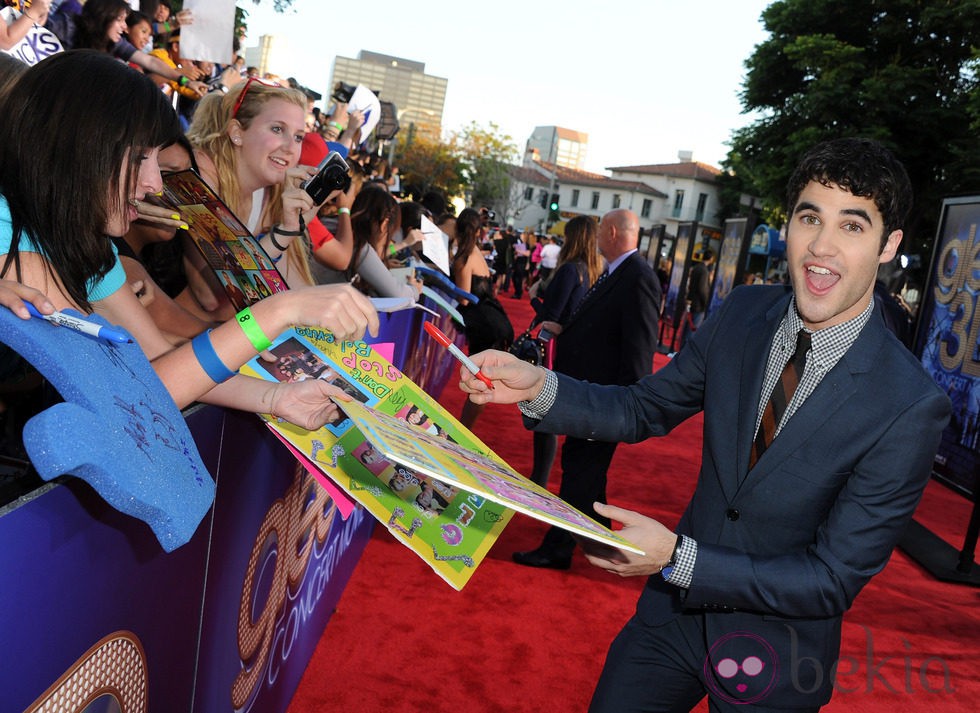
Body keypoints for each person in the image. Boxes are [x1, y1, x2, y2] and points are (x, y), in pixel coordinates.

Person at [458, 138, 951, 711]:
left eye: (852, 226)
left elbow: (830, 578)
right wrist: (542, 387)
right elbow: (645, 407)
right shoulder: (743, 313)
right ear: (788, 224)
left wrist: (679, 558)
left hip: (776, 650)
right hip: (671, 621)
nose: (821, 246)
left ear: (889, 245)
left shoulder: (909, 405)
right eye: (810, 217)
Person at [0, 50, 378, 434]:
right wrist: (278, 312)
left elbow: (157, 359)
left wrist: (277, 397)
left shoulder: (93, 247)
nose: (156, 185)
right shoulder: (9, 231)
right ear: (77, 147)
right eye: (138, 159)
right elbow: (145, 387)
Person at [512, 208, 660, 568]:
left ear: (611, 231)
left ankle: (559, 548)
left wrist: (625, 408)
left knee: (581, 472)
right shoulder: (618, 272)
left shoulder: (637, 276)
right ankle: (605, 544)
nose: (594, 238)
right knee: (585, 473)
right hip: (589, 393)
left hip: (605, 400)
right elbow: (603, 328)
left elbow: (639, 349)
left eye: (598, 231)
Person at [526, 216, 603, 488]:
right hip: (577, 353)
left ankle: (539, 479)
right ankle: (541, 478)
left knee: (543, 410)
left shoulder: (570, 270)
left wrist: (534, 296)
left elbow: (551, 316)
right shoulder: (596, 270)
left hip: (555, 351)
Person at [451, 208, 514, 429]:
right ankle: (465, 429)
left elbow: (465, 297)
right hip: (494, 318)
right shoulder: (476, 251)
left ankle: (463, 431)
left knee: (478, 382)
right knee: (480, 381)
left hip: (483, 323)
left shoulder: (464, 256)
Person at [679, 247, 716, 350]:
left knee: (687, 328)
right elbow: (702, 289)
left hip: (691, 301)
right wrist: (706, 303)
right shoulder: (704, 271)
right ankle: (685, 352)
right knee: (693, 330)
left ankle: (682, 349)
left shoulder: (696, 268)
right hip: (698, 305)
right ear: (711, 259)